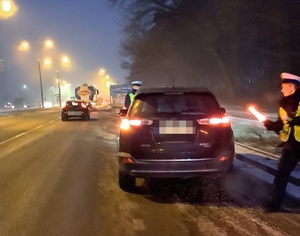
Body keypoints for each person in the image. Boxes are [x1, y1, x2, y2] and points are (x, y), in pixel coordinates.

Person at [263, 72, 300, 212]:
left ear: (291, 86)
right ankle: (274, 204)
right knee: (282, 174)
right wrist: (270, 125)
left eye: (283, 86)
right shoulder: (283, 105)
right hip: (290, 146)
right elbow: (281, 124)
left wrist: (296, 120)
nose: (281, 90)